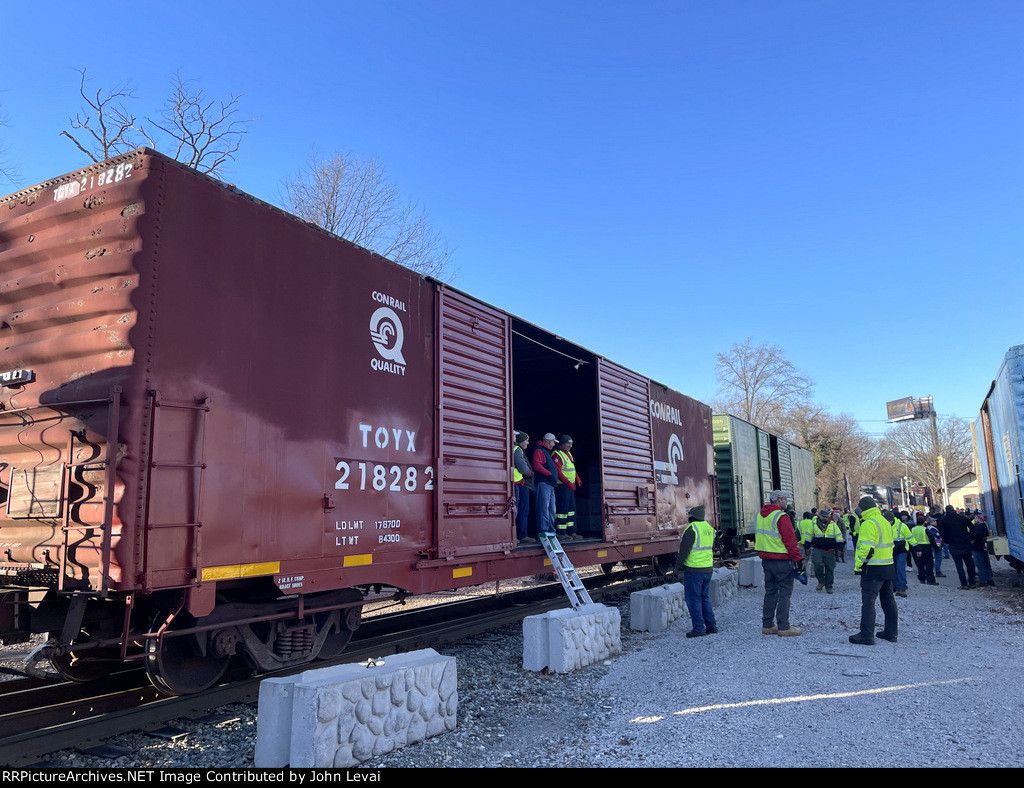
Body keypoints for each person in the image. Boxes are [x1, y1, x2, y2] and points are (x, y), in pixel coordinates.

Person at [849, 496, 898, 646]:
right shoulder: (884, 521)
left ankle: (866, 635)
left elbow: (866, 548)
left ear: (862, 509)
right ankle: (891, 633)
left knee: (869, 602)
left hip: (873, 568)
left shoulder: (868, 524)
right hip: (888, 566)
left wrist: (859, 566)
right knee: (888, 601)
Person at [755, 490, 803, 637]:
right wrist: (798, 559)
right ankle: (784, 626)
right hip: (781, 560)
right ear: (779, 499)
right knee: (784, 592)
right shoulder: (781, 516)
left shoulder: (761, 515)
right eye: (785, 499)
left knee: (770, 591)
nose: (786, 502)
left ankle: (768, 625)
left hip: (766, 560)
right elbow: (790, 541)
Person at [675, 504, 718, 638]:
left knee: (693, 599)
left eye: (690, 516)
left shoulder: (691, 529)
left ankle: (699, 628)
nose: (688, 518)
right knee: (704, 597)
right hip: (707, 569)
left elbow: (684, 551)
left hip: (694, 570)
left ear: (693, 517)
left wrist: (678, 566)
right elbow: (712, 548)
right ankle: (711, 626)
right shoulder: (709, 529)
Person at [938, 505, 977, 589]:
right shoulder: (962, 517)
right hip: (965, 542)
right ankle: (972, 582)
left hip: (953, 544)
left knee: (959, 565)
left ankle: (963, 584)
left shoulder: (943, 520)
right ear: (954, 510)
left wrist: (947, 541)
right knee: (970, 563)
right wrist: (971, 538)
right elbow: (972, 528)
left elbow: (941, 532)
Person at [552, 435, 582, 540]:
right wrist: (568, 483)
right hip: (562, 486)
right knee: (562, 510)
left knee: (571, 509)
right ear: (562, 444)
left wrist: (577, 478)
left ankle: (571, 532)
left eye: (571, 444)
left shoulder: (568, 454)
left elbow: (572, 468)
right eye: (568, 443)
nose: (570, 446)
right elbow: (558, 472)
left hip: (569, 486)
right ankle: (561, 533)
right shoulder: (557, 455)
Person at [531, 433, 559, 538]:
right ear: (548, 441)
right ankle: (544, 530)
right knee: (543, 508)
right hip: (543, 484)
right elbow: (536, 465)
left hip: (549, 485)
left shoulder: (545, 451)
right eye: (553, 442)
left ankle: (551, 530)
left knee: (551, 509)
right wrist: (549, 474)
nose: (554, 445)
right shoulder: (540, 450)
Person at [809, 508, 844, 593]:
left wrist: (840, 546)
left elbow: (839, 536)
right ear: (819, 516)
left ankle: (829, 586)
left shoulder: (833, 525)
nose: (825, 518)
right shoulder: (813, 524)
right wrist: (807, 544)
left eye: (826, 517)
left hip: (830, 550)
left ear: (829, 517)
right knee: (817, 565)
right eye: (823, 517)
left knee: (830, 568)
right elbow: (809, 535)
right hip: (818, 549)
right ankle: (821, 581)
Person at [512, 431, 534, 544]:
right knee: (521, 510)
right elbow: (523, 467)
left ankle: (519, 534)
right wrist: (529, 473)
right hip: (520, 483)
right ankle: (521, 534)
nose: (528, 443)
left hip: (519, 483)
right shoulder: (517, 449)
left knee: (518, 510)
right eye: (526, 440)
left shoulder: (517, 450)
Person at [891, 510, 916, 598]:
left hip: (901, 550)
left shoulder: (902, 526)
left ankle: (901, 588)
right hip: (891, 551)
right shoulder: (885, 526)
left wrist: (917, 548)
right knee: (893, 569)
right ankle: (894, 586)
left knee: (900, 569)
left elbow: (910, 537)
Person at [910, 511, 937, 585]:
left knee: (920, 565)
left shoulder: (913, 529)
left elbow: (910, 539)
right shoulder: (925, 529)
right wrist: (936, 548)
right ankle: (930, 579)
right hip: (926, 548)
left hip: (916, 548)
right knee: (929, 564)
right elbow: (931, 539)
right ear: (924, 522)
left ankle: (922, 579)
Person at [970, 513, 994, 587]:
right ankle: (988, 579)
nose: (974, 520)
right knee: (985, 563)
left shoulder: (980, 527)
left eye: (976, 518)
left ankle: (983, 580)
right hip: (982, 547)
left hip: (977, 548)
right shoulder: (982, 526)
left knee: (980, 564)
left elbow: (974, 535)